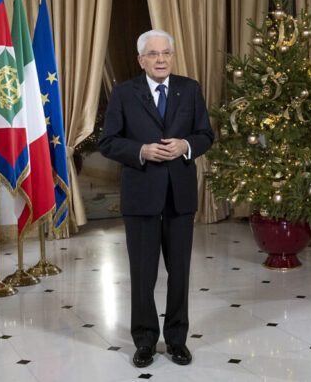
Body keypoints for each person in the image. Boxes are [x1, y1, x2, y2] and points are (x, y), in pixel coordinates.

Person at [99, 30, 214, 368]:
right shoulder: (124, 93)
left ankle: (177, 340)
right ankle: (145, 341)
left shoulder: (190, 89)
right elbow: (108, 142)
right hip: (141, 196)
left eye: (166, 53)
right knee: (143, 273)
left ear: (172, 56)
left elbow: (206, 135)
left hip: (180, 196)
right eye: (153, 54)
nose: (161, 59)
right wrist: (141, 151)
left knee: (180, 273)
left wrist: (186, 145)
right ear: (141, 60)